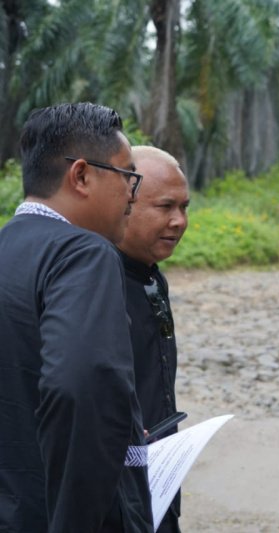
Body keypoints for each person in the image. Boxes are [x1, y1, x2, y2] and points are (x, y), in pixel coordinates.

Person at [0, 103, 153, 531]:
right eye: (128, 176)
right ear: (82, 175)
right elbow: (83, 386)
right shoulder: (82, 253)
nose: (133, 195)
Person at [117, 146, 190, 533]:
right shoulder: (93, 283)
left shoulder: (150, 274)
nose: (178, 221)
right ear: (122, 204)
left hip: (161, 470)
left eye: (184, 207)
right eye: (165, 207)